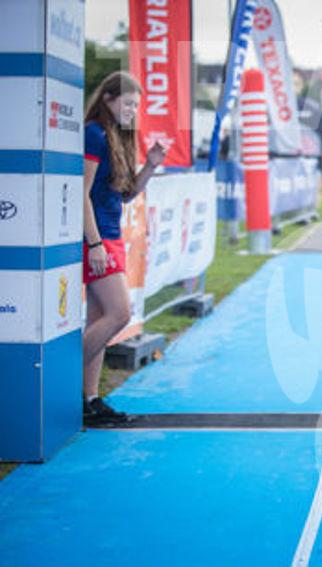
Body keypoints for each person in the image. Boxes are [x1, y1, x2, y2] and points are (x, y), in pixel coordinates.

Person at [82, 71, 166, 425]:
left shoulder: (116, 136)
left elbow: (127, 193)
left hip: (111, 235)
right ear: (108, 99)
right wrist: (95, 243)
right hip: (97, 238)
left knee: (99, 320)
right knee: (119, 313)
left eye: (136, 105)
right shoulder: (93, 133)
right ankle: (58, 375)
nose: (133, 110)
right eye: (128, 103)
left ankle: (89, 400)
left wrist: (151, 165)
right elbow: (82, 193)